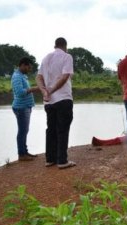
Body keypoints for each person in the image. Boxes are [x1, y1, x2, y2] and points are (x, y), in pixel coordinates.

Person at [36, 37, 76, 169]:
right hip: (63, 98)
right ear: (65, 46)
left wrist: (44, 91)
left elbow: (39, 77)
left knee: (51, 129)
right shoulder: (67, 57)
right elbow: (65, 77)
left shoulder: (46, 58)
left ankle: (50, 159)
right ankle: (62, 161)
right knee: (62, 129)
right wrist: (51, 90)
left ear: (55, 45)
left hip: (49, 102)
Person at [11, 57, 39, 161]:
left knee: (24, 130)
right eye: (28, 67)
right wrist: (34, 89)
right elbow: (20, 92)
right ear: (22, 65)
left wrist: (34, 89)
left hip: (25, 107)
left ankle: (24, 152)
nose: (29, 69)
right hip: (21, 108)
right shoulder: (17, 76)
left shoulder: (22, 76)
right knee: (22, 131)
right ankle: (21, 154)